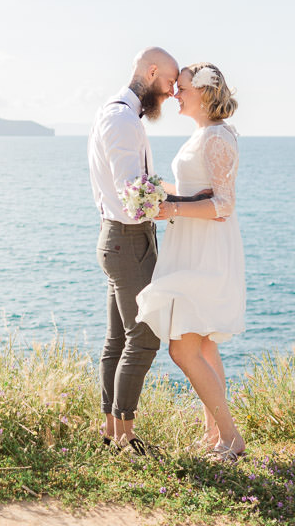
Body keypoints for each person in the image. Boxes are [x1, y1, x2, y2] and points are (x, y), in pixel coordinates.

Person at [135, 62, 246, 461]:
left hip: (205, 251)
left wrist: (171, 208)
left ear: (204, 91)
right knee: (201, 343)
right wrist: (149, 190)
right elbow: (189, 191)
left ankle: (232, 439)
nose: (175, 94)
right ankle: (214, 433)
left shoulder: (216, 137)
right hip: (193, 243)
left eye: (181, 88)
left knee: (183, 350)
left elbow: (223, 204)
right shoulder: (204, 134)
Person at [87, 46, 179, 455]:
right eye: (170, 81)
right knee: (143, 338)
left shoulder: (118, 114)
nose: (174, 91)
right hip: (128, 238)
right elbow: (133, 197)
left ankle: (110, 432)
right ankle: (125, 436)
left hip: (118, 237)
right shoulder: (122, 119)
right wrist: (180, 207)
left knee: (117, 340)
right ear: (152, 71)